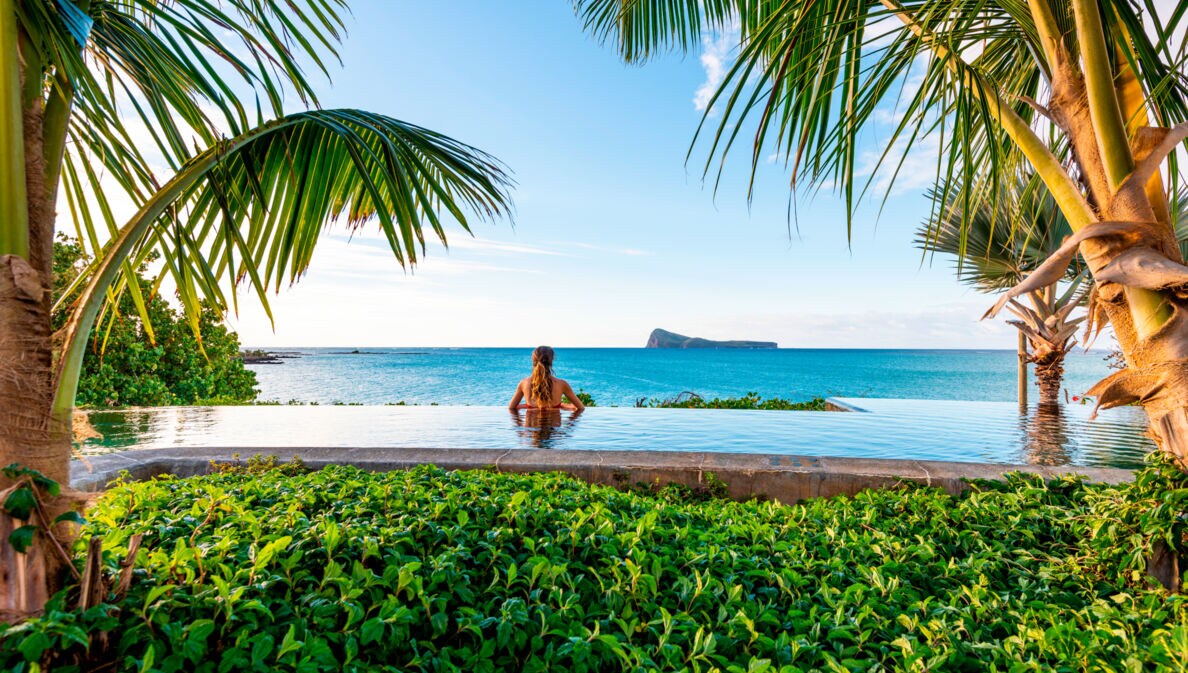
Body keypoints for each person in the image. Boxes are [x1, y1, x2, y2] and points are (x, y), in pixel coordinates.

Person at [508, 346, 586, 412]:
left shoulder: (524, 383)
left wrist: (527, 406)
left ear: (533, 360)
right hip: (554, 430)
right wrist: (560, 406)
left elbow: (511, 408)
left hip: (531, 430)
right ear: (551, 361)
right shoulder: (562, 384)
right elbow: (580, 408)